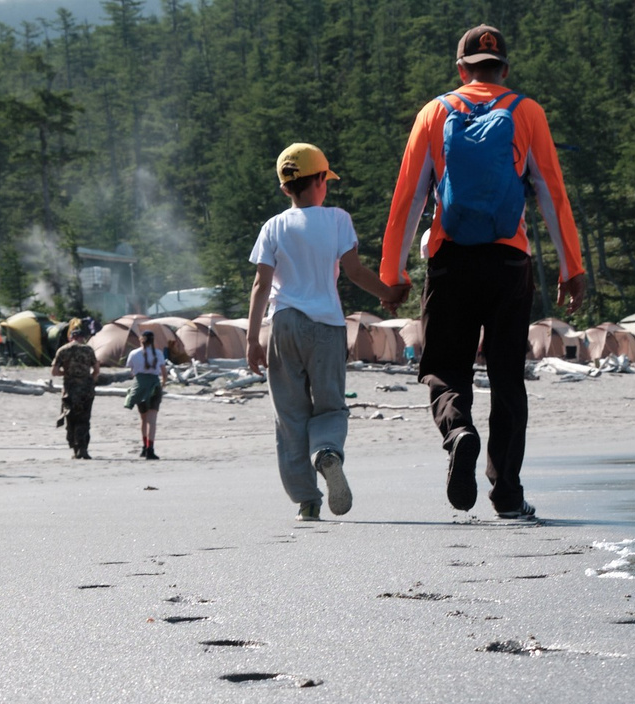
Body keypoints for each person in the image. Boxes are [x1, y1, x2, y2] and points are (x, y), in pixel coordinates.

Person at [378, 23, 586, 521]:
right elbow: (552, 194)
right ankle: (507, 494)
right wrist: (571, 268)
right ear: (504, 69)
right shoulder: (526, 111)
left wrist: (393, 274)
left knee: (445, 368)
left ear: (461, 70)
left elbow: (408, 199)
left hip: (450, 261)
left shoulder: (434, 113)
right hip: (509, 263)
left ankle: (458, 431)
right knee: (507, 377)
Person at [245, 142, 389, 519]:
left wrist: (251, 339)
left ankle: (307, 501)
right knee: (329, 405)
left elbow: (261, 285)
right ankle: (326, 451)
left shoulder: (273, 226)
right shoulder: (338, 219)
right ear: (321, 180)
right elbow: (355, 272)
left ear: (285, 189)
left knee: (290, 414)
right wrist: (388, 294)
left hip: (284, 324)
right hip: (327, 324)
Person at [51, 319, 100, 459]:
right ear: (82, 338)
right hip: (86, 389)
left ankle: (74, 447)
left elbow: (54, 371)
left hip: (70, 390)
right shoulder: (88, 350)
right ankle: (83, 448)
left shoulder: (63, 350)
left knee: (71, 418)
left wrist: (66, 373)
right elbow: (96, 370)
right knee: (84, 419)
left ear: (71, 337)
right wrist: (90, 379)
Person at [125, 326, 167, 460]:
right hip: (154, 385)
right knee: (152, 420)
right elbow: (164, 373)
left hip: (140, 386)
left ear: (141, 340)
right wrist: (162, 384)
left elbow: (131, 371)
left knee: (143, 419)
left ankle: (144, 447)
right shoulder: (158, 353)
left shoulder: (133, 353)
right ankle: (150, 448)